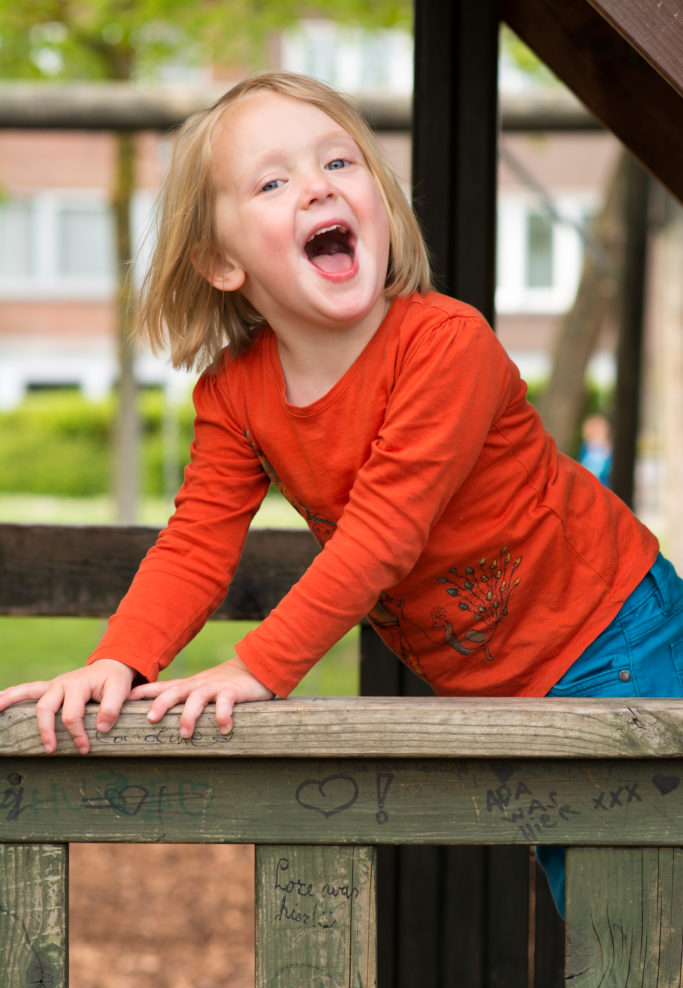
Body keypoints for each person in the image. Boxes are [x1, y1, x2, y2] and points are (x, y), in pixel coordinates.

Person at [2, 72, 682, 916]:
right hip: (503, 684)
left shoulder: (445, 345)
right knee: (604, 911)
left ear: (380, 205)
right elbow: (196, 542)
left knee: (633, 918)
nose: (317, 184)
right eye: (273, 181)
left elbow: (382, 535)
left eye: (338, 161)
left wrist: (258, 665)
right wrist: (119, 658)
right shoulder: (234, 393)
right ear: (219, 261)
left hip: (614, 637)